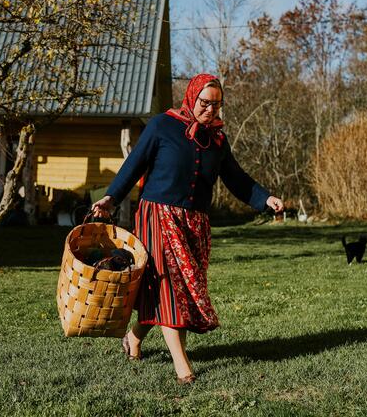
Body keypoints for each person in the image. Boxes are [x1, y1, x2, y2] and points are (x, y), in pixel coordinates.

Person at [91, 73, 284, 384]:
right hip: (158, 216)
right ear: (192, 97)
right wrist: (111, 199)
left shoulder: (217, 140)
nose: (210, 110)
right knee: (170, 288)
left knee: (183, 290)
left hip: (195, 223)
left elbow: (237, 179)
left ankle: (134, 337)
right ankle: (183, 368)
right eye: (204, 103)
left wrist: (266, 198)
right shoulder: (162, 125)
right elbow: (134, 164)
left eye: (216, 105)